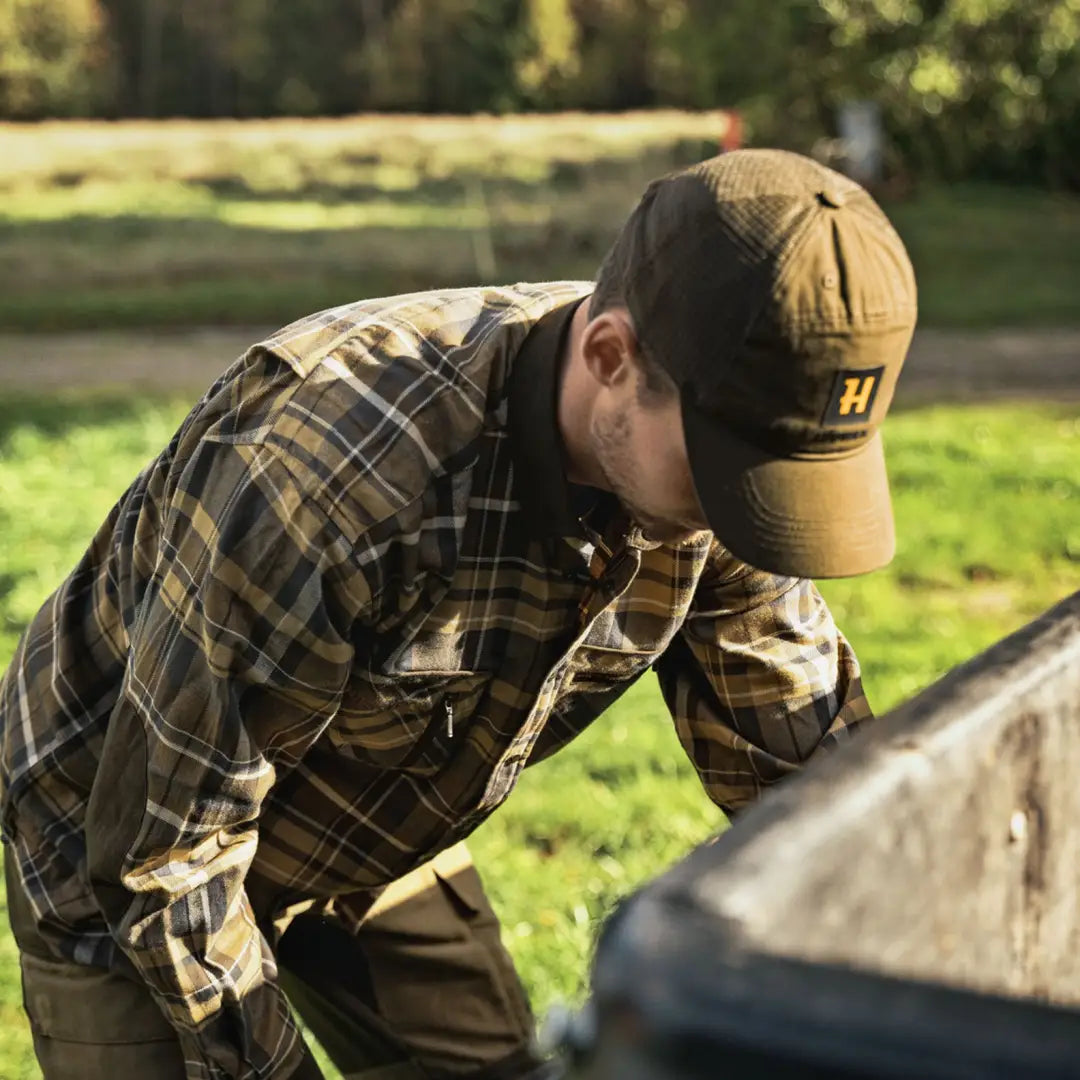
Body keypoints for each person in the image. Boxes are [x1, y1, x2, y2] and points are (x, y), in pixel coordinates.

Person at [0, 148, 917, 1080]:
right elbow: (166, 854)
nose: (743, 515)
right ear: (609, 357)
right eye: (729, 473)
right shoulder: (334, 477)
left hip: (370, 806)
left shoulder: (708, 441)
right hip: (123, 841)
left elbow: (810, 772)